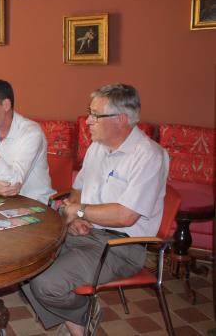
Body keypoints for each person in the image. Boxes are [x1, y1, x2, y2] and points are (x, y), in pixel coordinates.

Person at [21, 84, 169, 336]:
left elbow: (126, 215)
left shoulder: (149, 156)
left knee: (46, 284)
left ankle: (79, 326)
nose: (88, 121)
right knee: (23, 263)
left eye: (95, 115)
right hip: (86, 232)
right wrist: (75, 215)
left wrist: (81, 212)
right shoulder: (97, 147)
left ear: (121, 119)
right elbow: (77, 190)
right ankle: (81, 319)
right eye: (89, 113)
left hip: (121, 246)